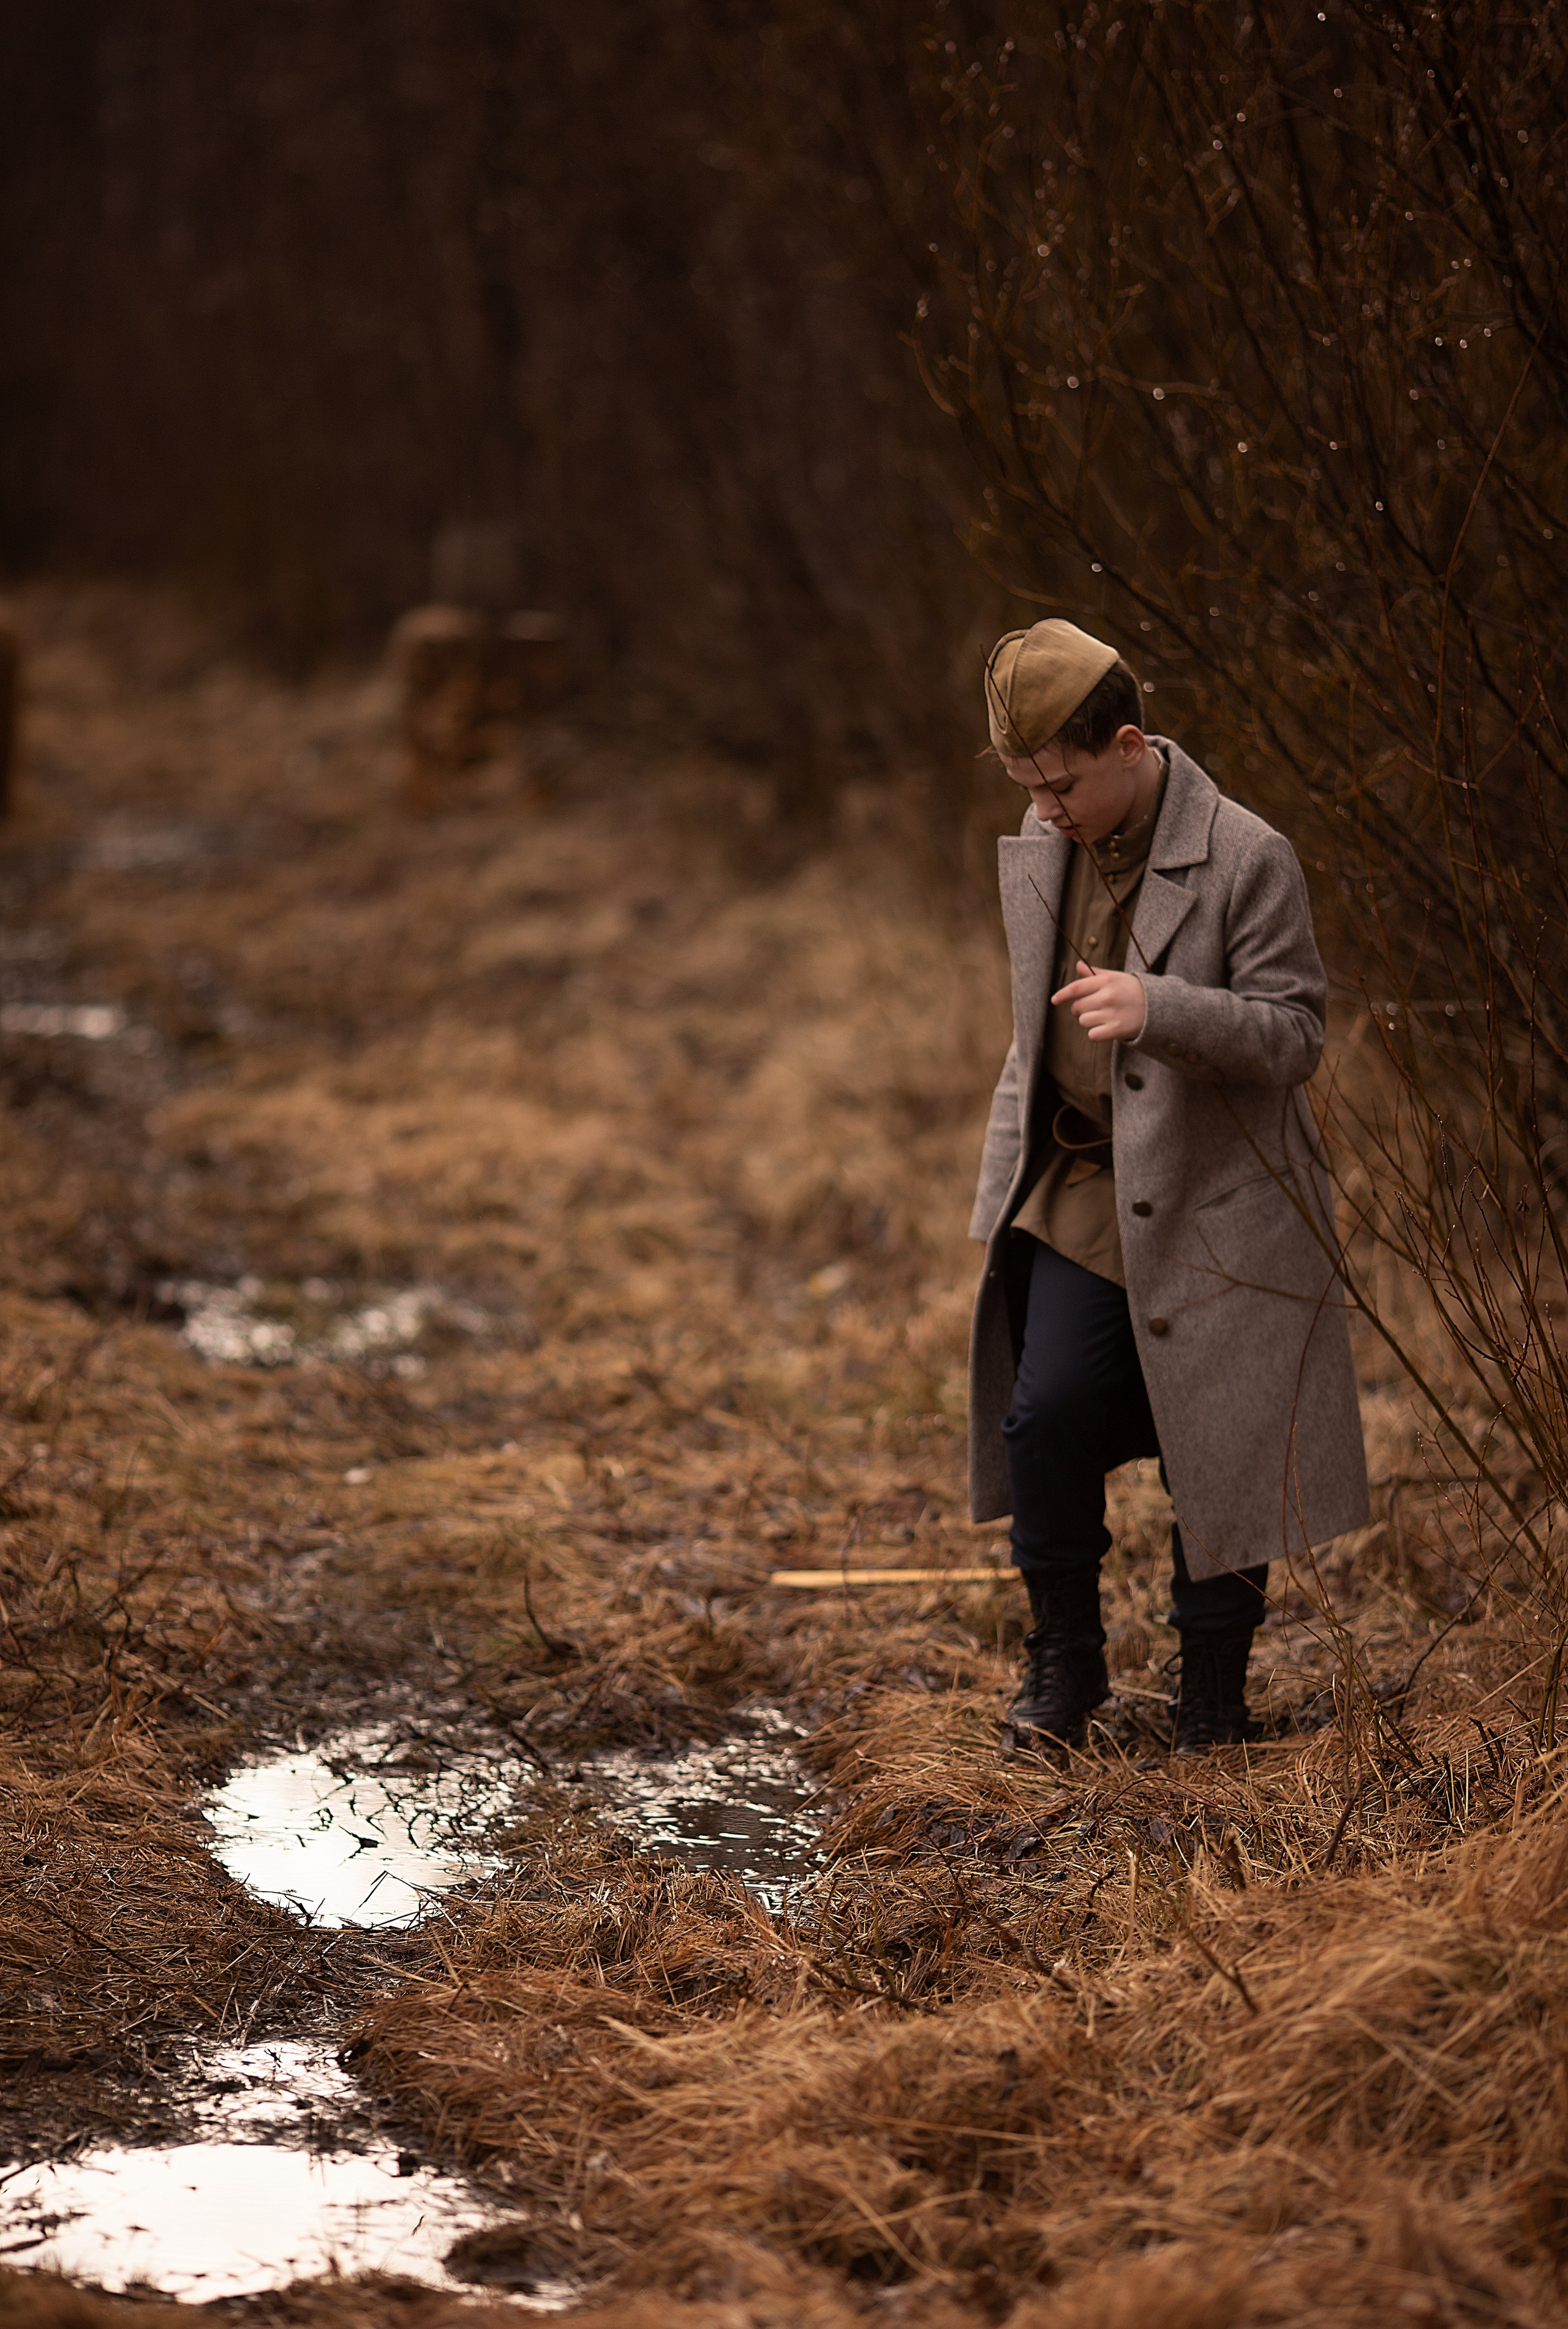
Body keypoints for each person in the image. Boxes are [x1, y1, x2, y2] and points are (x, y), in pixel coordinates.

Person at [967, 619, 1368, 1753]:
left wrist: (1165, 1008)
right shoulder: (1045, 838)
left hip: (1219, 1196)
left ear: (1129, 743)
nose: (1044, 811)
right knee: (1042, 1416)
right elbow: (1028, 1029)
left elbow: (1297, 1035)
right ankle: (1066, 1667)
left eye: (1061, 785)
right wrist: (1000, 1177)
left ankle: (1212, 1701)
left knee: (1220, 1436)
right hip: (1079, 1188)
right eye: (1027, 789)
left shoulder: (1249, 855)